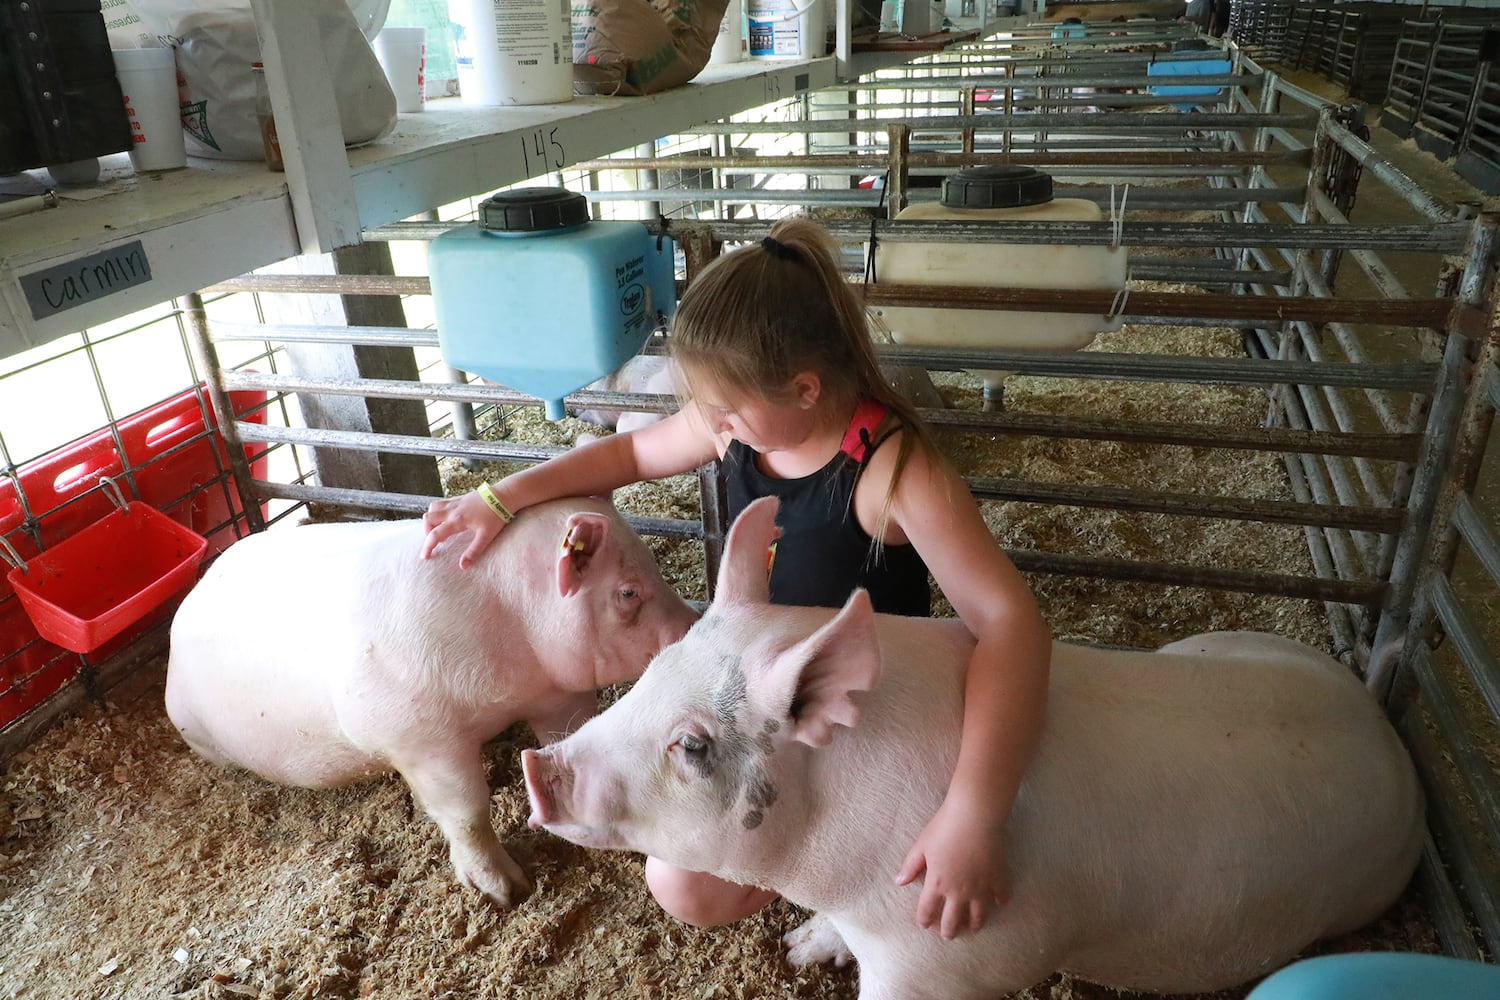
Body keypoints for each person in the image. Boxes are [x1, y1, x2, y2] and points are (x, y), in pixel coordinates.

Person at [419, 217, 1052, 940]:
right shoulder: (739, 423)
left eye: (723, 407)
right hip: (749, 702)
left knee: (690, 876)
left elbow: (1011, 624)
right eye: (707, 407)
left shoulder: (893, 473)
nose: (709, 423)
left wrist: (975, 813)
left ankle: (851, 895)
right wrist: (502, 497)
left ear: (805, 389)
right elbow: (625, 457)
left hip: (853, 715)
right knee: (681, 882)